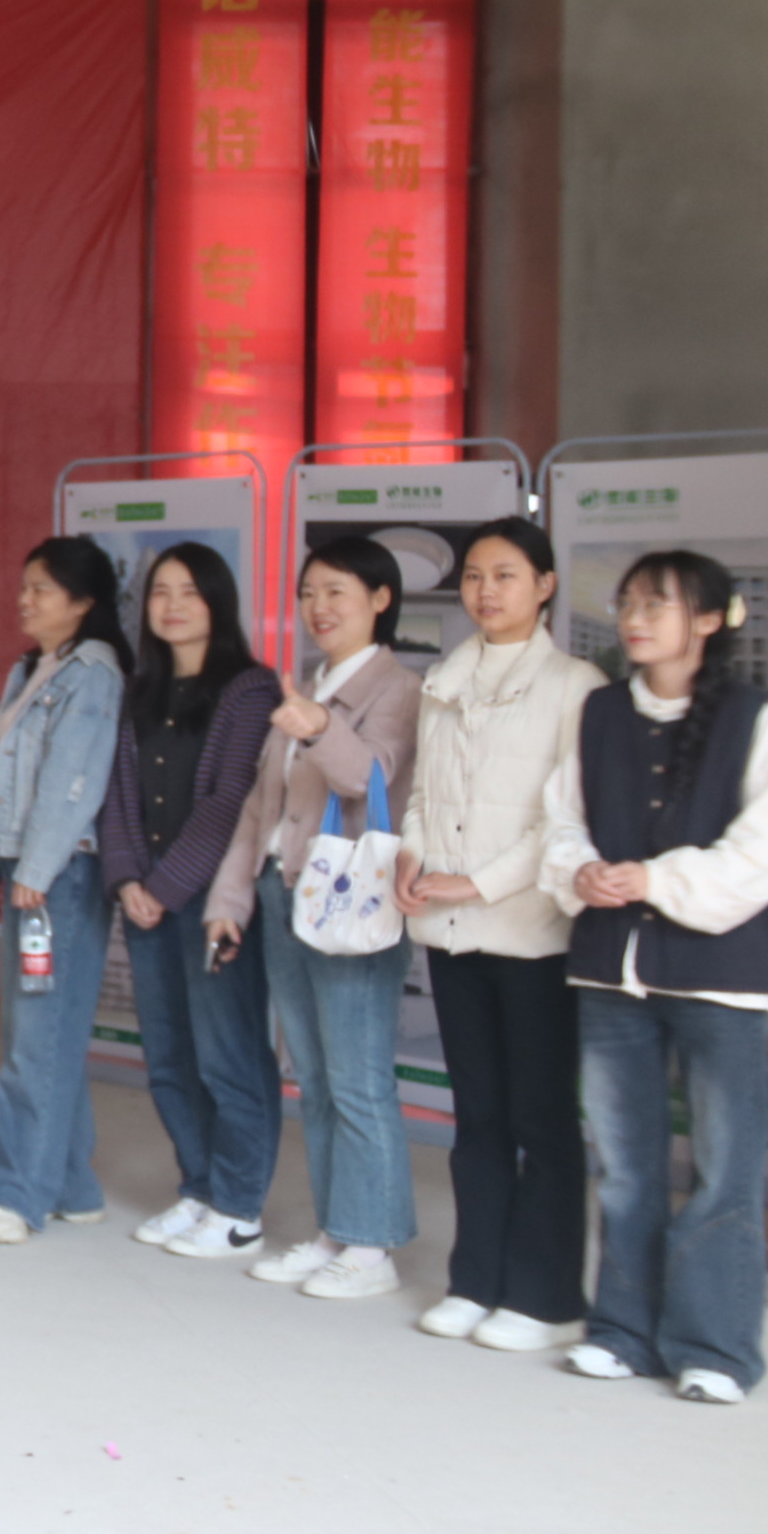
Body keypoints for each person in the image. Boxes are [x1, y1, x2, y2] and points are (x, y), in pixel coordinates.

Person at [541, 550, 768, 1405]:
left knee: (726, 1170)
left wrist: (656, 879)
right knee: (626, 1165)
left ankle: (716, 1349)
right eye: (629, 603)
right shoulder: (600, 711)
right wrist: (581, 871)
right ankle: (622, 1331)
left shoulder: (752, 716)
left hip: (720, 979)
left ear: (708, 620)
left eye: (656, 605)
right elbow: (562, 819)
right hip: (612, 974)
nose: (634, 619)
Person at [396, 519, 606, 1352]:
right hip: (450, 932)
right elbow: (424, 792)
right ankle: (475, 1280)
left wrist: (478, 883)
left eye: (507, 574)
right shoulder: (445, 677)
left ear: (545, 585)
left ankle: (547, 1299)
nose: (487, 590)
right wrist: (412, 857)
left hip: (532, 934)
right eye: (476, 576)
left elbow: (567, 816)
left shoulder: (576, 685)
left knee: (541, 1120)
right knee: (478, 1116)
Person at [207, 538, 423, 1303]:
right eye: (308, 593)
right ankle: (338, 1229)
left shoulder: (397, 686)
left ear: (380, 599)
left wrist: (316, 726)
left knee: (358, 1077)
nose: (318, 607)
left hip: (350, 901)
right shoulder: (310, 685)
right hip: (286, 893)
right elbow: (258, 809)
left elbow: (371, 775)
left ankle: (372, 1244)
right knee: (319, 1077)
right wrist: (229, 900)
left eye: (336, 591)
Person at [99, 543, 285, 1263]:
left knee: (228, 1056)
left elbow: (232, 800)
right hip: (147, 900)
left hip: (213, 903)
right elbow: (117, 797)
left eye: (190, 592)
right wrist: (128, 881)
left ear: (218, 602)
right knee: (169, 1057)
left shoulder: (249, 689)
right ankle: (200, 1187)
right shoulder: (137, 690)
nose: (173, 605)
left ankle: (239, 1207)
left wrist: (165, 887)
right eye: (160, 592)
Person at [0, 537, 129, 1245]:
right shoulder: (31, 668)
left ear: (83, 602)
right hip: (29, 874)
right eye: (25, 585)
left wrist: (34, 868)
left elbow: (74, 782)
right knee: (42, 1032)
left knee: (38, 1039)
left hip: (60, 879)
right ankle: (70, 1186)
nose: (25, 599)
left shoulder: (94, 674)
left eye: (42, 589)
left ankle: (19, 1194)